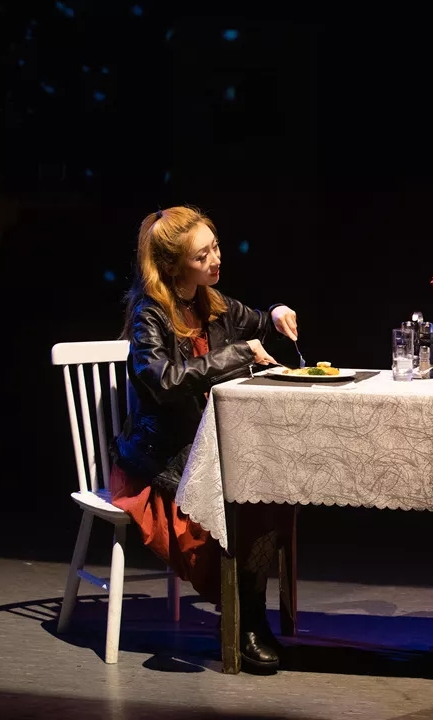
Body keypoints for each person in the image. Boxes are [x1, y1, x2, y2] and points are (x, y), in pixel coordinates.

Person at [110, 205, 300, 674]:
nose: (215, 260)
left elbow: (258, 322)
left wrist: (276, 313)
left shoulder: (209, 301)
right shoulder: (150, 316)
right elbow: (165, 381)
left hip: (209, 450)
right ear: (174, 266)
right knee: (231, 510)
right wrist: (238, 355)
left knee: (266, 494)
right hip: (161, 464)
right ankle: (244, 622)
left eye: (215, 247)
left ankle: (248, 614)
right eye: (201, 256)